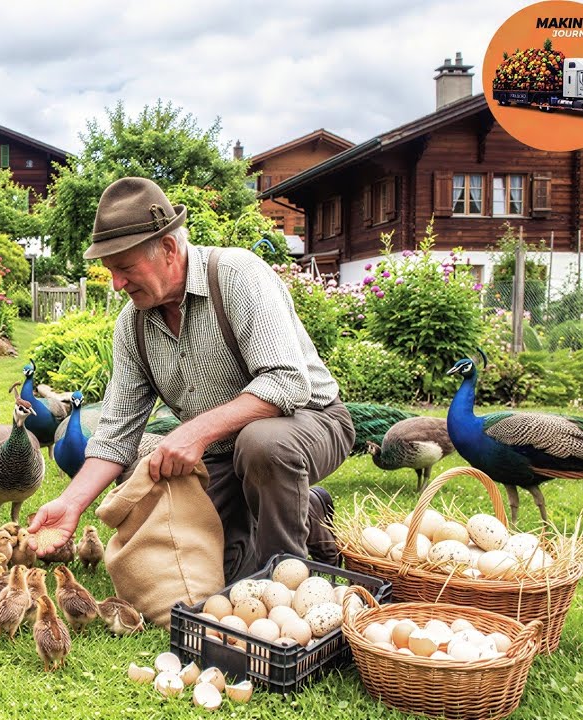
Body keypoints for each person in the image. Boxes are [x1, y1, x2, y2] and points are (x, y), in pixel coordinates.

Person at [27, 177, 355, 581]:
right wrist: (71, 504)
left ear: (168, 248)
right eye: (111, 271)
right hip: (220, 452)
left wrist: (195, 433)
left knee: (262, 445)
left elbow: (287, 382)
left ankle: (289, 584)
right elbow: (115, 433)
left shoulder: (237, 275)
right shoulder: (132, 326)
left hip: (309, 423)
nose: (117, 284)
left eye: (125, 268)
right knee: (212, 574)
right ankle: (308, 511)